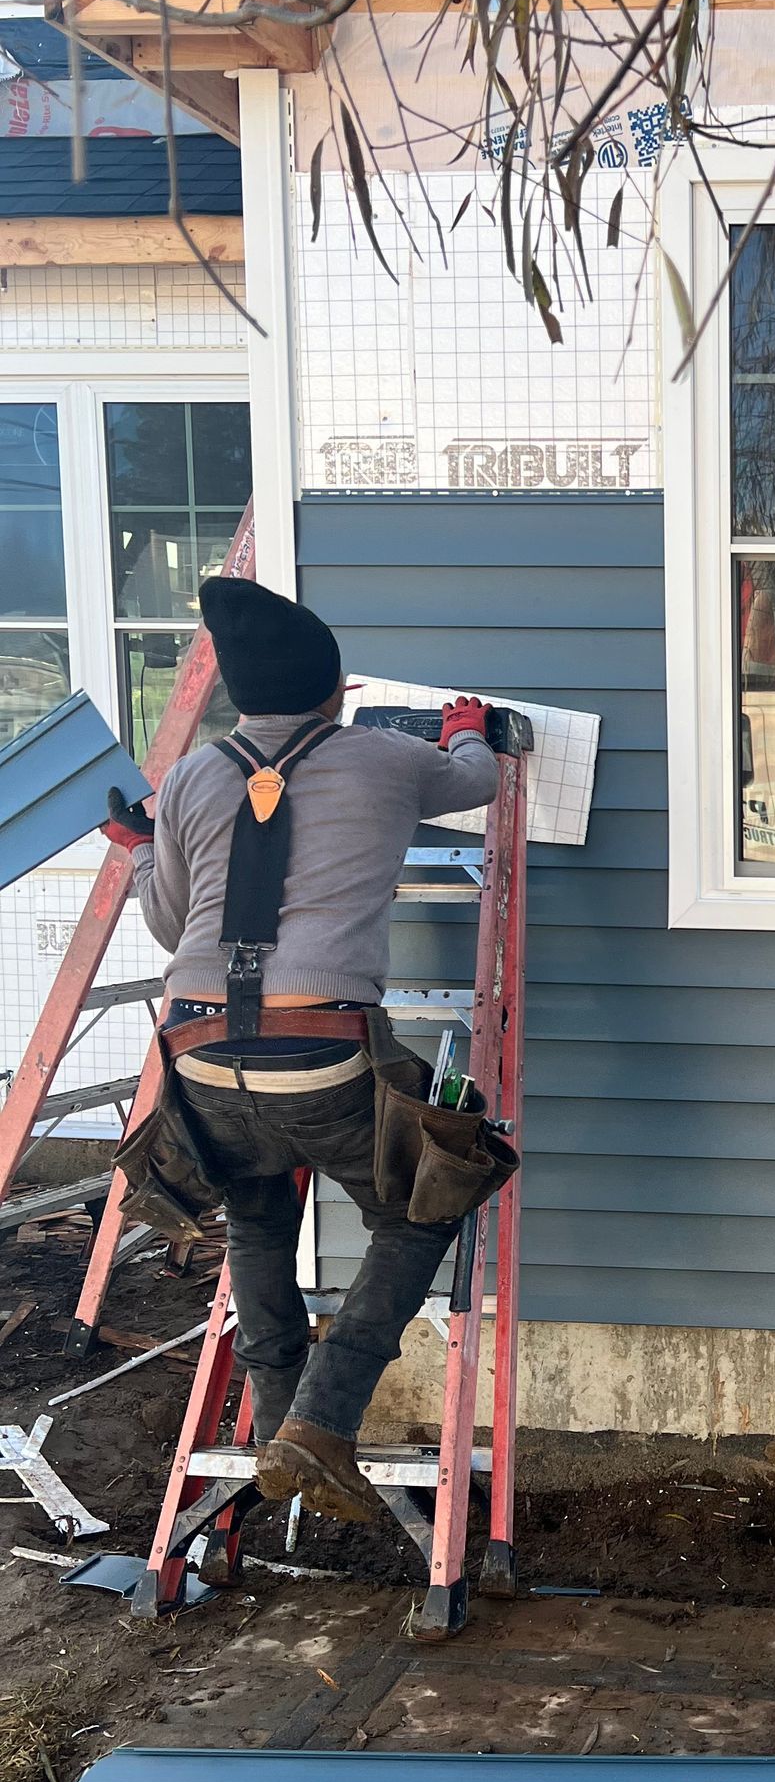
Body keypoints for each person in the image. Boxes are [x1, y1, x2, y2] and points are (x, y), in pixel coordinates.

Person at [102, 577, 499, 1525]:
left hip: (198, 1056)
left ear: (240, 693)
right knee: (431, 1191)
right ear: (334, 689)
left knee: (256, 1203)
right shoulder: (385, 758)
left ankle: (275, 1428)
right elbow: (478, 780)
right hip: (318, 1050)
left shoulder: (193, 776)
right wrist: (467, 726)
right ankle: (321, 1424)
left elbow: (169, 926)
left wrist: (140, 845)